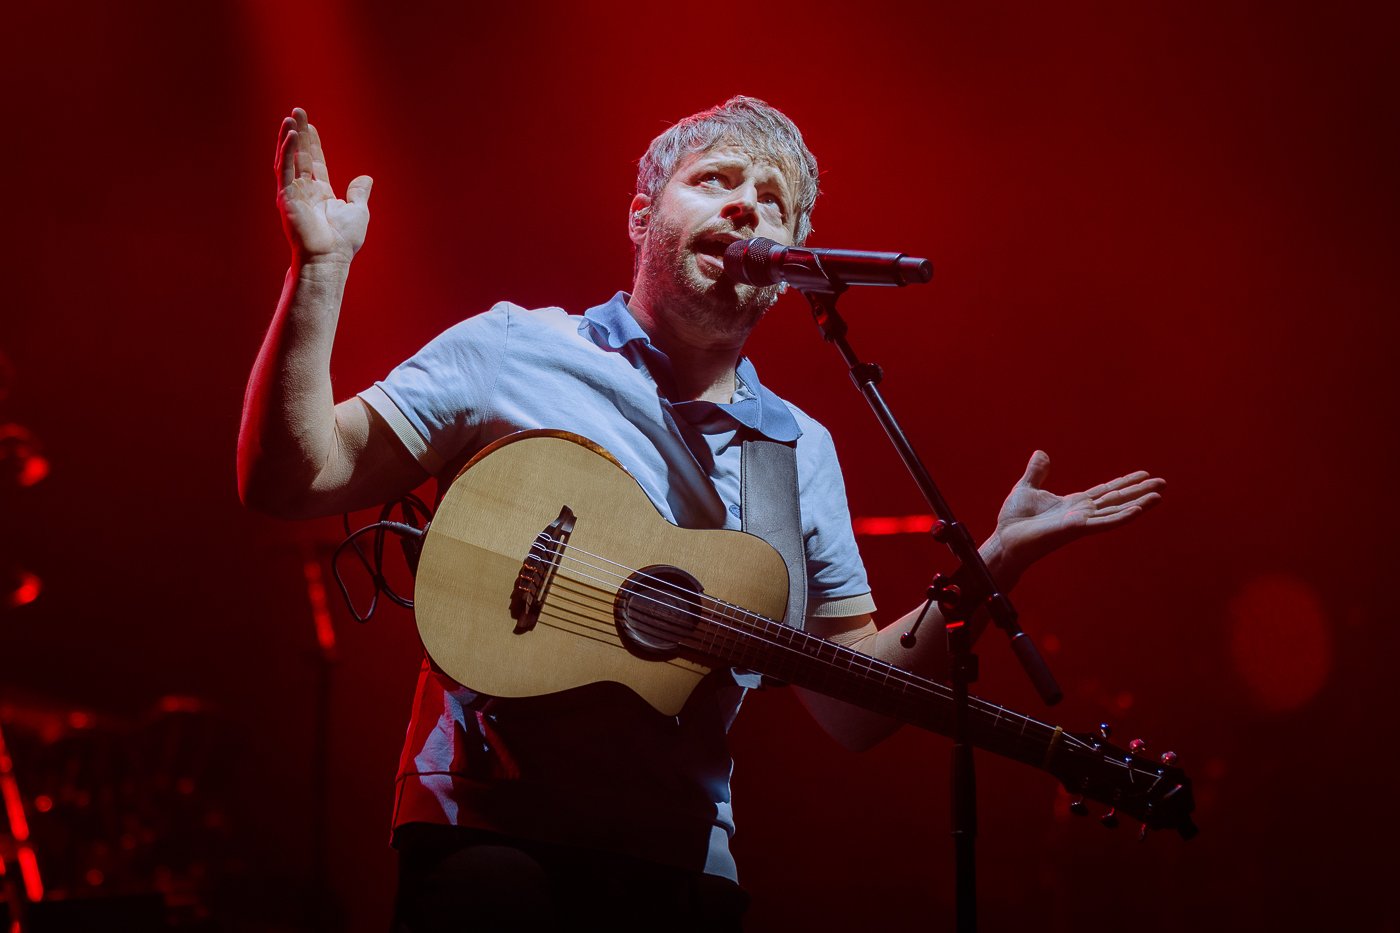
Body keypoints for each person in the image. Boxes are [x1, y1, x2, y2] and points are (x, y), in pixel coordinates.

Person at [238, 98, 1164, 932]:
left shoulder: (796, 449)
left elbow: (850, 705)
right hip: (489, 835)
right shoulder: (514, 345)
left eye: (774, 199)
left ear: (795, 262)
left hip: (683, 871)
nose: (747, 206)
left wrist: (994, 560)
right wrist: (320, 270)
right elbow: (296, 476)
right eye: (715, 179)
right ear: (642, 216)